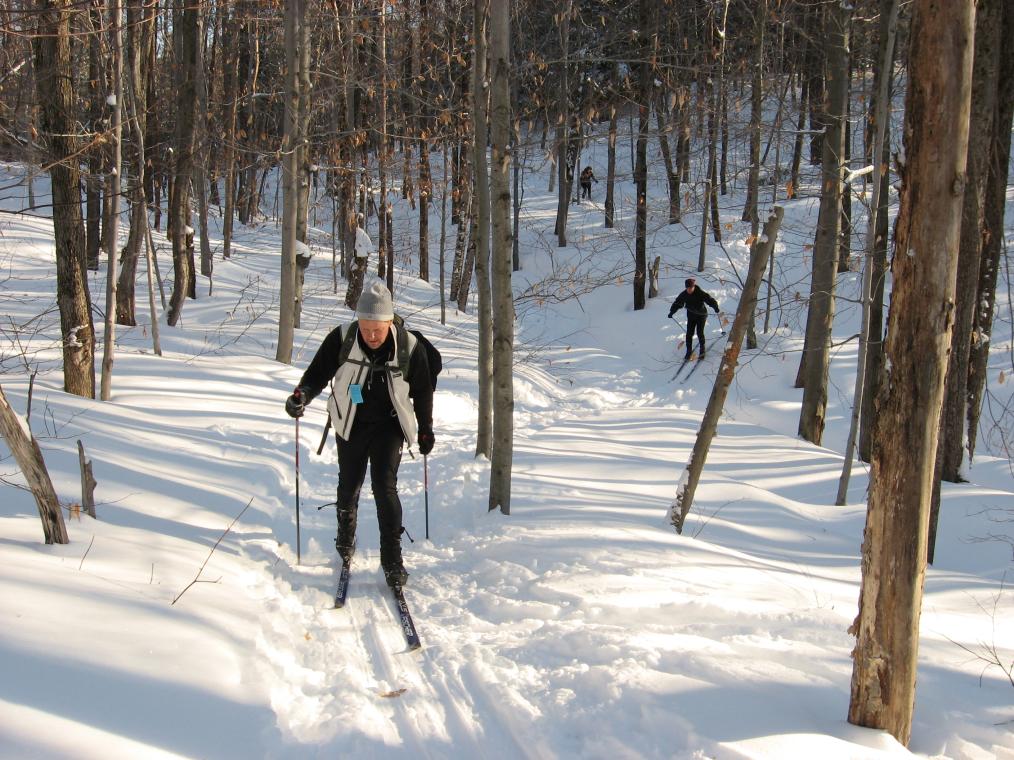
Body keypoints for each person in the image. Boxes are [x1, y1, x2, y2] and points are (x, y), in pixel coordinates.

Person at [284, 281, 434, 587]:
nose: (372, 335)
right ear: (358, 322)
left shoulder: (409, 346)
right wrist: (301, 396)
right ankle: (345, 536)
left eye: (378, 328)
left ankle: (392, 560)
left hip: (389, 425)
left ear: (390, 321)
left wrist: (426, 429)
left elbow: (423, 390)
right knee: (349, 484)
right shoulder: (342, 338)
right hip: (349, 420)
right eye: (366, 328)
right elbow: (316, 374)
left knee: (384, 486)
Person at [667, 277, 720, 360]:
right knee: (689, 333)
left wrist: (715, 307)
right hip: (691, 315)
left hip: (701, 315)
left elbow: (709, 300)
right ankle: (688, 351)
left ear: (694, 286)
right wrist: (672, 312)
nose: (689, 290)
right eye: (687, 288)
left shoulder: (700, 293)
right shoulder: (684, 294)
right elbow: (677, 303)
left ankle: (702, 350)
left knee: (700, 332)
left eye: (691, 288)